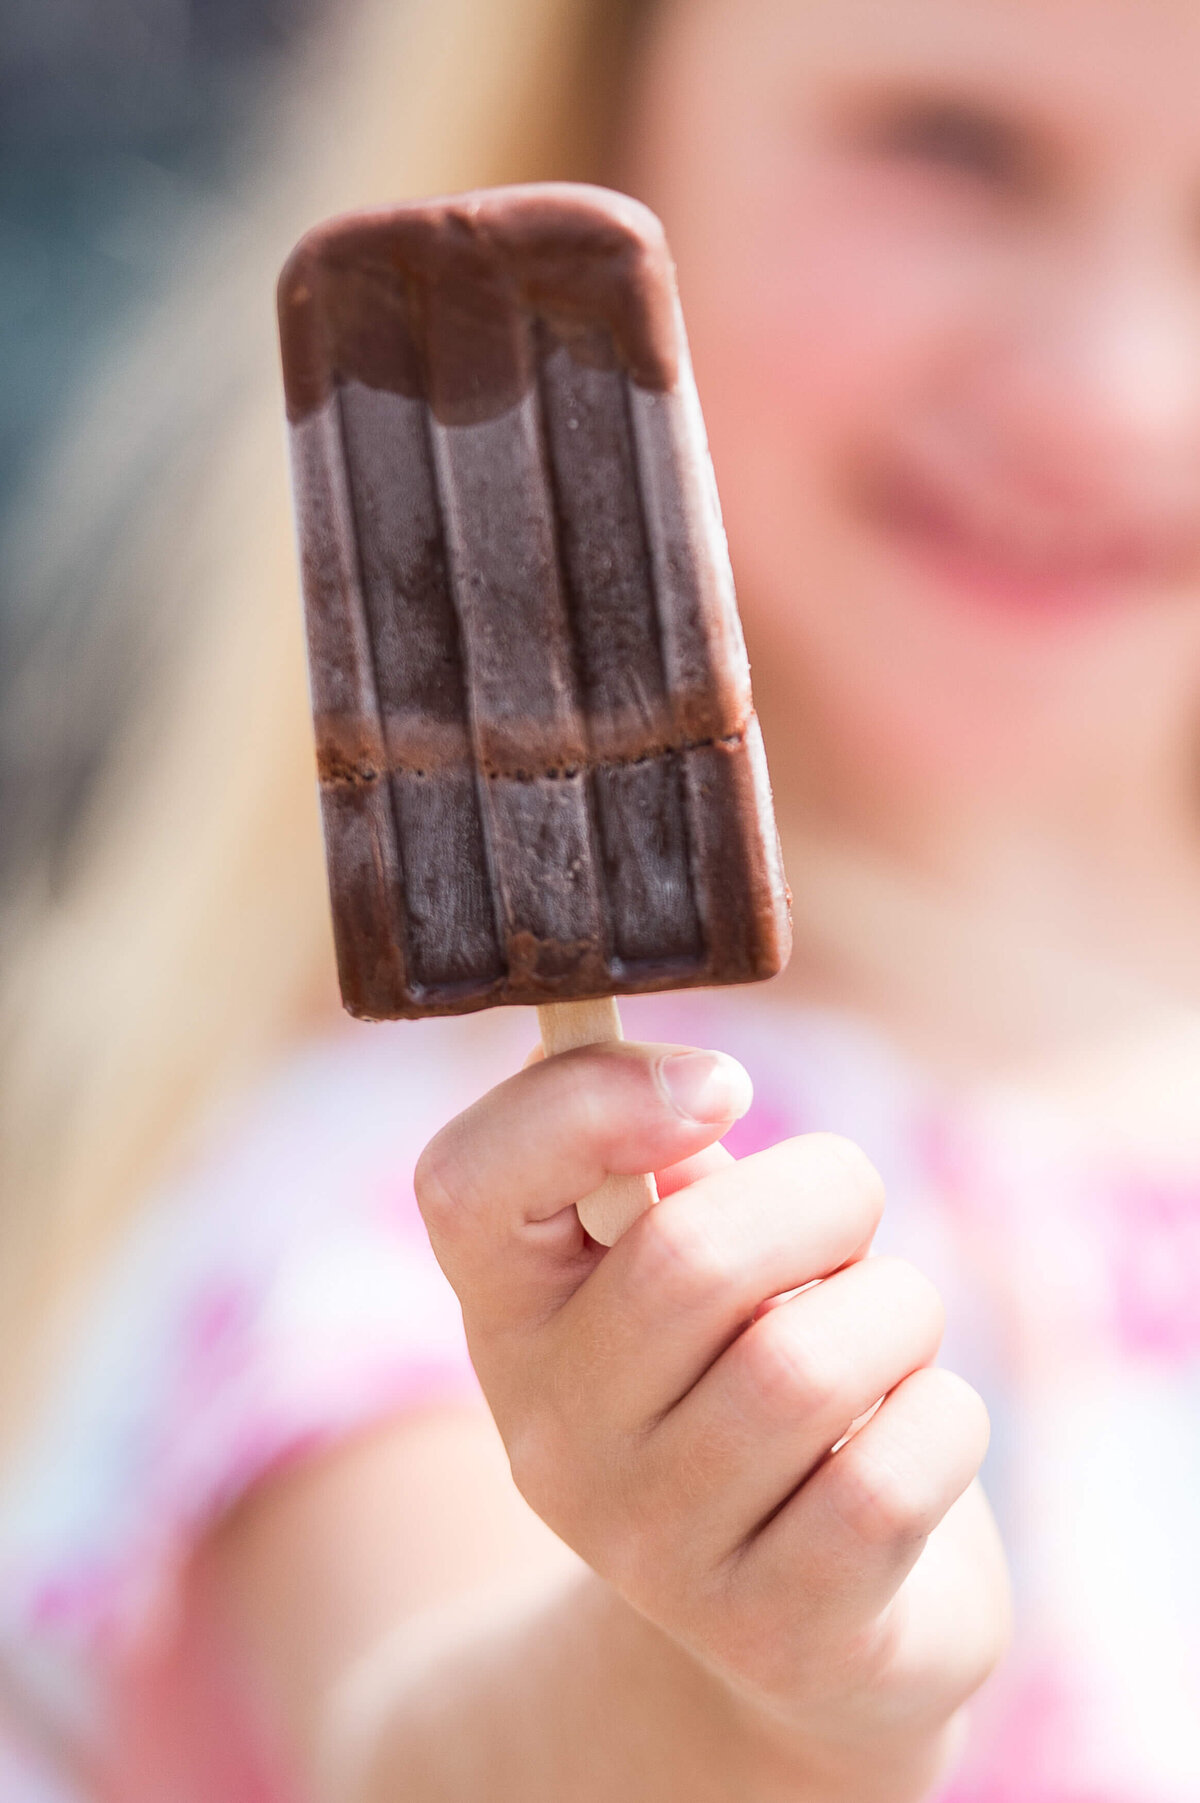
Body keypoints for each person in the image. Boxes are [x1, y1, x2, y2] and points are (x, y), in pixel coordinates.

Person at [1, 0, 1198, 1796]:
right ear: (602, 110)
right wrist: (741, 1688)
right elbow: (422, 1734)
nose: (1117, 382)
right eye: (949, 144)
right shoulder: (456, 1193)